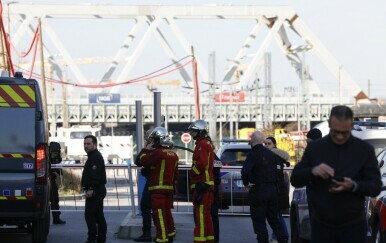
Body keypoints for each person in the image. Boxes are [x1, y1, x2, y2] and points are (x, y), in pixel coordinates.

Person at [290, 105, 382, 243]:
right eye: (335, 132)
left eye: (344, 132)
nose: (340, 136)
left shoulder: (364, 150)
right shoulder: (315, 149)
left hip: (353, 225)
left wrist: (354, 185)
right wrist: (312, 171)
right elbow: (295, 179)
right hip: (322, 225)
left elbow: (375, 186)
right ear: (329, 125)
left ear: (351, 125)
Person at [241, 131, 287, 243]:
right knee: (274, 219)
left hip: (258, 191)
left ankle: (263, 240)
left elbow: (245, 171)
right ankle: (282, 238)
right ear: (262, 141)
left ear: (252, 141)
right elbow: (278, 172)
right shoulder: (271, 154)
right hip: (272, 191)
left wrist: (246, 183)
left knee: (259, 221)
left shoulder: (252, 154)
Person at [139, 127, 179, 243]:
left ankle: (162, 238)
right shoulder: (174, 155)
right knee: (167, 213)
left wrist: (146, 150)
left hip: (157, 189)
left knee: (159, 215)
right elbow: (176, 175)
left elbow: (143, 161)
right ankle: (170, 233)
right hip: (169, 190)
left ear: (157, 140)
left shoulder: (158, 153)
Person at [188, 120, 215, 243]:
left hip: (202, 184)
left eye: (194, 131)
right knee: (206, 214)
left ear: (200, 131)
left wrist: (192, 171)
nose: (191, 133)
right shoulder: (206, 143)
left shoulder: (202, 144)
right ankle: (209, 238)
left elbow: (201, 164)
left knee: (201, 215)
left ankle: (200, 240)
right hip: (206, 184)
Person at [82, 135, 107, 243]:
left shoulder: (95, 157)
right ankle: (100, 238)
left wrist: (91, 189)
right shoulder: (92, 156)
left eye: (88, 144)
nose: (86, 146)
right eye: (85, 144)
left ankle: (92, 238)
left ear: (95, 145)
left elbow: (95, 175)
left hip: (95, 190)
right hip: (96, 189)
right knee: (98, 215)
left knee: (90, 215)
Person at [264, 136, 289, 243]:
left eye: (269, 143)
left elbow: (276, 175)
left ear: (274, 144)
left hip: (277, 190)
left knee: (276, 215)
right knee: (276, 215)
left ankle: (280, 236)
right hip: (277, 190)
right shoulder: (273, 156)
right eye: (265, 144)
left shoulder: (274, 156)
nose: (266, 146)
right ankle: (280, 236)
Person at [134, 130, 154, 242]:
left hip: (152, 183)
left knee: (146, 207)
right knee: (157, 209)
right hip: (158, 183)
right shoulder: (165, 149)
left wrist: (145, 149)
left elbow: (138, 161)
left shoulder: (151, 150)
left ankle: (147, 234)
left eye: (147, 137)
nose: (146, 139)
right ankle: (163, 234)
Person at [49, 142, 66, 225]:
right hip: (46, 181)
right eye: (53, 152)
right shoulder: (46, 157)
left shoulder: (57, 158)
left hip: (52, 181)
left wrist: (61, 178)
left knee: (55, 200)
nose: (55, 154)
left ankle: (56, 218)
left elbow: (59, 171)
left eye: (56, 152)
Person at [212, 154, 222, 243]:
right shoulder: (216, 159)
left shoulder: (210, 157)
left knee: (212, 216)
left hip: (210, 189)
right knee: (214, 216)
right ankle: (215, 239)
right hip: (215, 188)